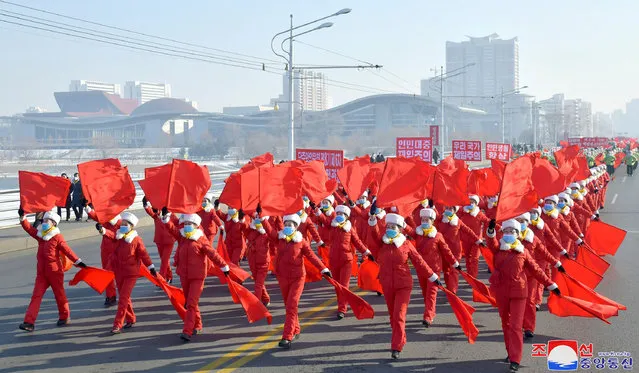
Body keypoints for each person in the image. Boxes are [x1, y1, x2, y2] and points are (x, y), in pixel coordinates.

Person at [485, 219, 560, 372]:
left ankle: (515, 358)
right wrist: (491, 230)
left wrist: (550, 284)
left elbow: (536, 270)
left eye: (512, 232)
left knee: (515, 326)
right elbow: (490, 241)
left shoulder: (524, 252)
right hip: (501, 291)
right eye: (506, 232)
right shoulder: (498, 249)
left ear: (518, 235)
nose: (509, 234)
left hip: (519, 292)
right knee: (505, 323)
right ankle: (509, 352)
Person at [367, 207, 441, 360]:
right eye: (387, 227)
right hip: (387, 284)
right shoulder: (383, 243)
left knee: (399, 315)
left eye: (393, 227)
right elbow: (373, 236)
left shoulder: (406, 244)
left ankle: (396, 346)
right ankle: (400, 337)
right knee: (393, 317)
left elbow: (419, 262)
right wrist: (373, 220)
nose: (389, 229)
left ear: (400, 229)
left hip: (404, 285)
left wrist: (432, 276)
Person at [261, 213, 331, 349]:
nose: (287, 227)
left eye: (290, 225)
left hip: (298, 277)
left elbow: (311, 256)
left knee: (292, 304)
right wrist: (262, 216)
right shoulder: (279, 239)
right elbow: (269, 230)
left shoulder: (301, 241)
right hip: (282, 276)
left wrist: (323, 269)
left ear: (296, 227)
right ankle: (296, 329)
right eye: (286, 224)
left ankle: (287, 336)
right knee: (289, 305)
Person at [161, 210, 229, 341]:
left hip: (198, 276)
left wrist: (224, 266)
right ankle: (198, 324)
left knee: (191, 303)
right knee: (190, 302)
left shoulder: (201, 239)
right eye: (185, 223)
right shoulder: (182, 236)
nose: (187, 225)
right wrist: (165, 218)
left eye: (190, 223)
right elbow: (171, 229)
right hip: (184, 275)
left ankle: (187, 330)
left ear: (196, 225)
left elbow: (213, 254)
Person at [18, 208, 87, 332]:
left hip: (55, 272)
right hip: (42, 273)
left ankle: (64, 316)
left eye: (47, 220)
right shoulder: (40, 235)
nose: (43, 222)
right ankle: (29, 322)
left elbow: (67, 250)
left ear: (54, 223)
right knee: (36, 296)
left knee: (59, 295)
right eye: (43, 220)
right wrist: (23, 217)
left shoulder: (57, 237)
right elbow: (29, 229)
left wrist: (78, 262)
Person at [96, 212, 156, 334]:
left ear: (131, 226)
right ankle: (131, 318)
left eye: (126, 224)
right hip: (119, 272)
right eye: (122, 224)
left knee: (123, 298)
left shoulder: (136, 240)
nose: (122, 226)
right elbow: (111, 234)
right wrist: (102, 230)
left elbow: (144, 254)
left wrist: (151, 267)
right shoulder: (118, 237)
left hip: (131, 274)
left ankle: (117, 324)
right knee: (125, 297)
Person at [314, 204, 371, 319]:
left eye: (342, 214)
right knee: (337, 286)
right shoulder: (332, 225)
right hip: (334, 260)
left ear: (347, 216)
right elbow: (323, 219)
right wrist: (316, 209)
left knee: (344, 286)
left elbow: (357, 242)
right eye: (338, 213)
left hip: (347, 260)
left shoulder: (350, 229)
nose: (340, 216)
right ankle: (342, 304)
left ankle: (342, 309)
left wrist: (367, 253)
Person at [411, 208, 460, 327]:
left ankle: (428, 316)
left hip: (434, 270)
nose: (424, 221)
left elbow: (446, 251)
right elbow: (407, 229)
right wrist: (403, 219)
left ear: (432, 221)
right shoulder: (417, 233)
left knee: (431, 293)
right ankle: (430, 312)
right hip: (421, 269)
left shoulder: (438, 236)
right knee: (425, 292)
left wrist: (455, 263)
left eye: (427, 219)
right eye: (422, 219)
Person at [436, 206, 481, 294]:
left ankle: (453, 290)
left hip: (455, 251)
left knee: (454, 270)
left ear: (455, 211)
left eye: (451, 209)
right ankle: (449, 288)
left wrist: (478, 240)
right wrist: (433, 206)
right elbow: (432, 216)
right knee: (446, 270)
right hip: (443, 250)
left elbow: (468, 231)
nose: (448, 210)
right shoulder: (440, 219)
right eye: (447, 208)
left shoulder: (458, 221)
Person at [84, 204, 120, 306]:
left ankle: (123, 295)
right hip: (105, 251)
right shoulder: (105, 220)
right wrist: (87, 208)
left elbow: (115, 236)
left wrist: (104, 231)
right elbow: (96, 216)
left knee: (116, 275)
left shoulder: (121, 223)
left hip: (116, 252)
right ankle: (111, 295)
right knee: (106, 274)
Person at [143, 197, 177, 284]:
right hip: (159, 240)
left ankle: (161, 279)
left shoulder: (172, 216)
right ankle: (169, 277)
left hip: (169, 241)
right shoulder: (157, 215)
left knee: (165, 260)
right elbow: (150, 211)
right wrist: (145, 204)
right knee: (164, 260)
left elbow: (177, 226)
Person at [243, 212, 272, 306]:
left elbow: (272, 234)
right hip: (252, 261)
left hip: (263, 262)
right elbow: (244, 228)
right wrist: (241, 217)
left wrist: (263, 227)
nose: (257, 220)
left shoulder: (267, 234)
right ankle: (266, 299)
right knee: (258, 282)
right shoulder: (251, 232)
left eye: (259, 218)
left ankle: (256, 304)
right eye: (256, 218)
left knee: (258, 284)